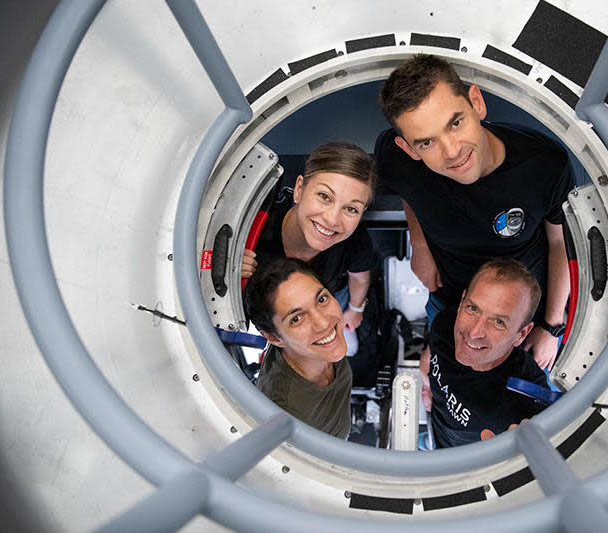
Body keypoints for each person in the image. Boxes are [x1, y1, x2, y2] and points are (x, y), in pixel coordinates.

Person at [376, 54, 573, 371]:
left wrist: (551, 325)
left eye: (455, 123)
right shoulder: (396, 159)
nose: (452, 152)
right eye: (427, 143)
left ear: (477, 103)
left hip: (525, 314)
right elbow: (406, 189)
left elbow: (559, 243)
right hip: (448, 299)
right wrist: (420, 245)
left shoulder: (543, 163)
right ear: (409, 149)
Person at [242, 141, 377, 333]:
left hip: (333, 292)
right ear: (299, 190)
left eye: (351, 209)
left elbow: (360, 279)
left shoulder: (354, 240)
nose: (332, 219)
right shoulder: (251, 232)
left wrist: (355, 310)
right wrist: (229, 273)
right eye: (324, 196)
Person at [421, 259, 549, 448]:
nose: (474, 333)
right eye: (473, 308)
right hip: (437, 434)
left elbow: (551, 429)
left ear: (521, 335)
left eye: (498, 322)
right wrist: (429, 382)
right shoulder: (446, 323)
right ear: (462, 301)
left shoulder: (525, 392)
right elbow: (434, 350)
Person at [244, 257, 352, 439]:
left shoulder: (321, 348)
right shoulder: (284, 415)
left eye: (322, 299)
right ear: (274, 337)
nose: (324, 323)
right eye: (296, 319)